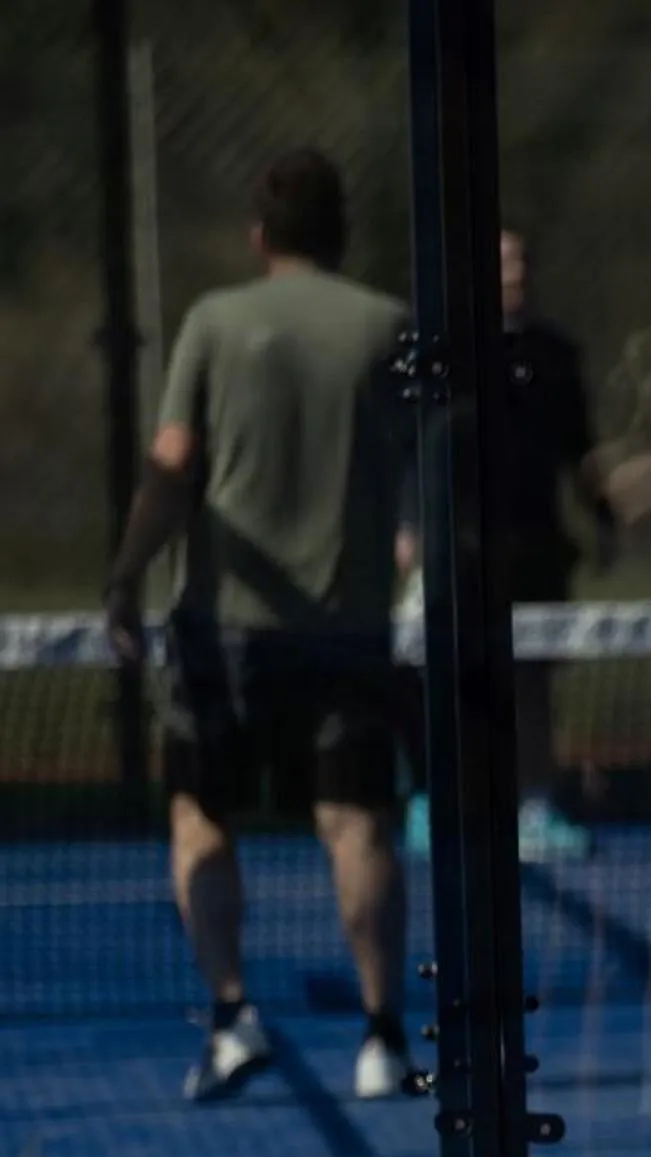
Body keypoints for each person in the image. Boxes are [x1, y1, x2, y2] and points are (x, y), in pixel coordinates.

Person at [101, 149, 415, 1105]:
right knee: (357, 823)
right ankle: (383, 1037)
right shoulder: (388, 328)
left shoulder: (213, 323)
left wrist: (124, 576)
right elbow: (418, 466)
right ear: (340, 231)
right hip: (352, 629)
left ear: (259, 235)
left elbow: (170, 466)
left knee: (201, 817)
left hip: (223, 634)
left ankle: (233, 1015)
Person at [403, 224, 617, 863]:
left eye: (520, 261)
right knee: (446, 676)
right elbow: (410, 443)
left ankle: (534, 807)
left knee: (530, 685)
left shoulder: (556, 355)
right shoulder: (441, 354)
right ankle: (434, 801)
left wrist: (603, 516)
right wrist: (411, 525)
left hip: (533, 549)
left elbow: (581, 452)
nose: (513, 273)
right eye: (500, 263)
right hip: (454, 548)